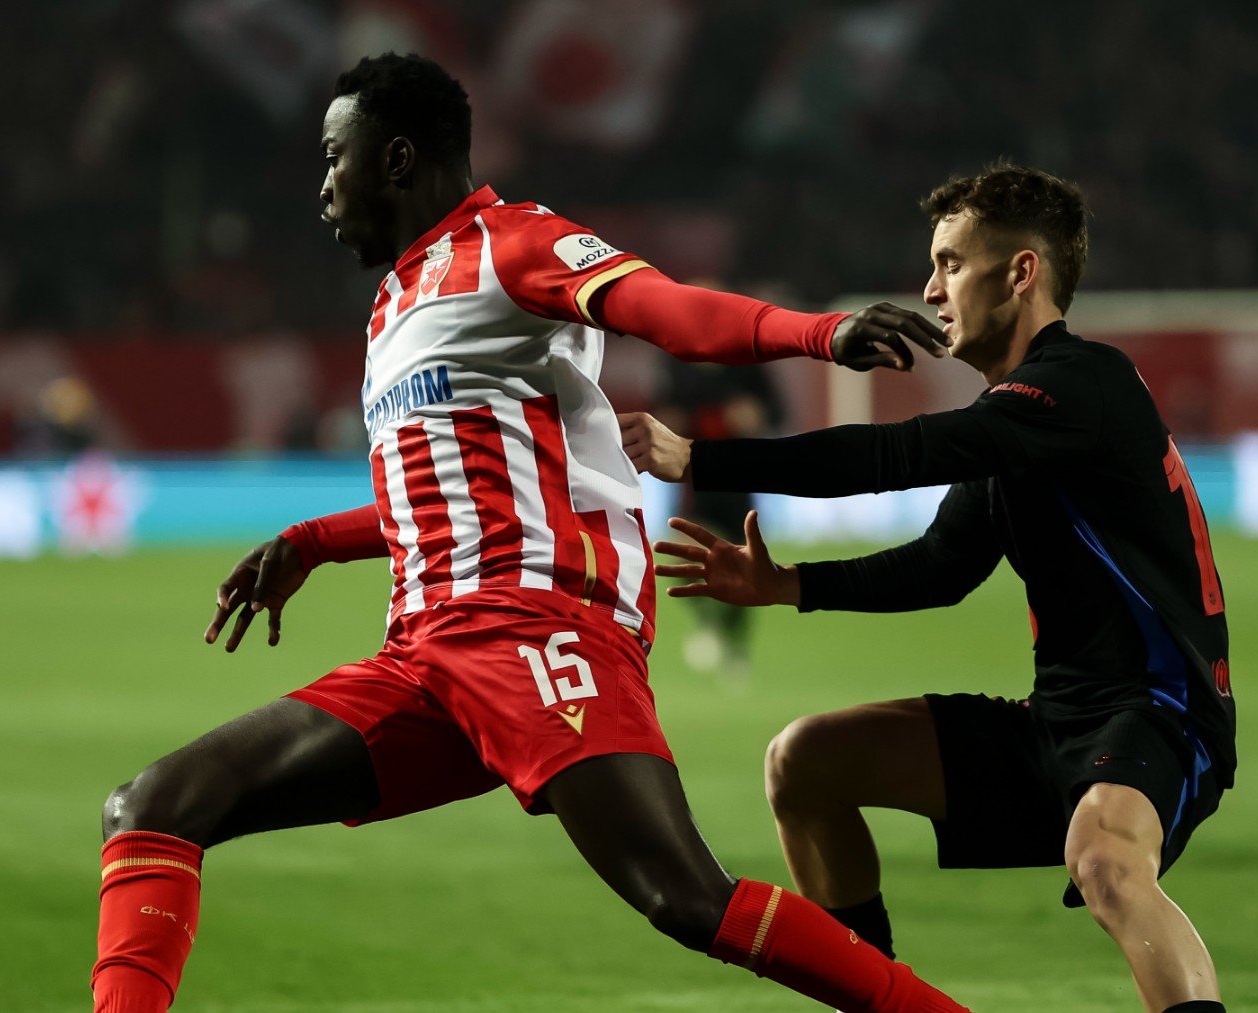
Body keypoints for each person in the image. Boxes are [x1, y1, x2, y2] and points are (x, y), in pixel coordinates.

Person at [90, 53, 971, 1013]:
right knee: (152, 807)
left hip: (534, 628)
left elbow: (668, 309)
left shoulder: (511, 245)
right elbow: (452, 498)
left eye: (332, 157)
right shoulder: (395, 303)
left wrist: (817, 335)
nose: (321, 185)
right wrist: (310, 540)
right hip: (423, 658)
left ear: (393, 158)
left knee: (685, 895)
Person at [622, 163, 1235, 1013]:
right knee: (804, 763)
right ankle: (877, 1001)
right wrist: (791, 585)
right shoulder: (1022, 424)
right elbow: (941, 566)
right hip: (1060, 723)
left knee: (1104, 863)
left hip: (1159, 717)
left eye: (950, 261)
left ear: (1021, 272)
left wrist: (703, 458)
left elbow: (897, 454)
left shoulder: (1078, 385)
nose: (930, 286)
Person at [652, 356, 785, 679]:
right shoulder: (676, 366)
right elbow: (662, 414)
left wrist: (754, 415)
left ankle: (735, 642)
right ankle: (707, 621)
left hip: (739, 483)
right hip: (694, 483)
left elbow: (776, 413)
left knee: (743, 568)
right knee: (683, 554)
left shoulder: (749, 364)